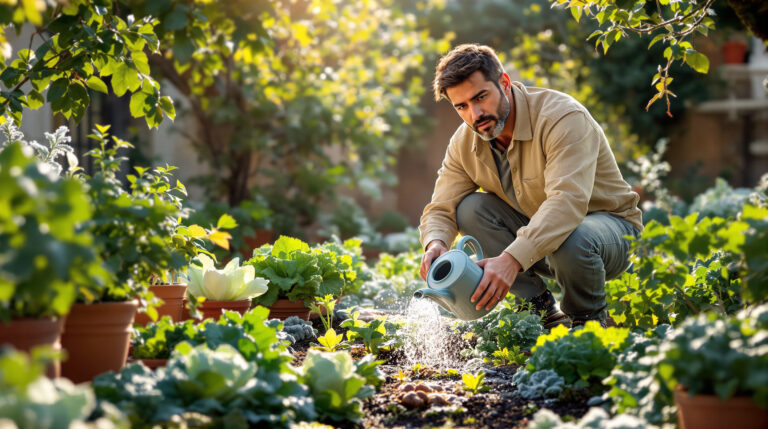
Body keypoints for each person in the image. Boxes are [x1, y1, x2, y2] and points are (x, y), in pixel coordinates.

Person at [418, 44, 642, 328]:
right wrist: (435, 243)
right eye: (461, 106)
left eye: (480, 97)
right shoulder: (465, 142)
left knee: (572, 237)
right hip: (543, 242)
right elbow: (441, 208)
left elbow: (567, 204)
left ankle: (586, 323)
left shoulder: (562, 118)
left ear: (504, 83)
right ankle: (540, 311)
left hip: (610, 235)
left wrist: (510, 259)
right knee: (469, 208)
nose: (475, 114)